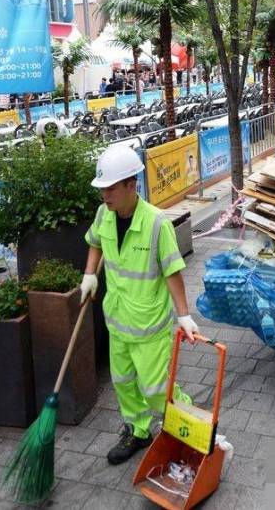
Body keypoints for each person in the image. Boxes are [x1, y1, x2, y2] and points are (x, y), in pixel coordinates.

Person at [80, 146, 198, 464]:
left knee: (157, 389)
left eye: (110, 188)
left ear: (131, 185)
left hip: (149, 327)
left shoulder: (157, 224)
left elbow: (173, 271)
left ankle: (192, 428)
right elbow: (94, 242)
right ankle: (138, 430)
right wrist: (89, 275)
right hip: (117, 321)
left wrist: (184, 315)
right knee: (124, 384)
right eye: (102, 188)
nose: (104, 195)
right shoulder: (104, 214)